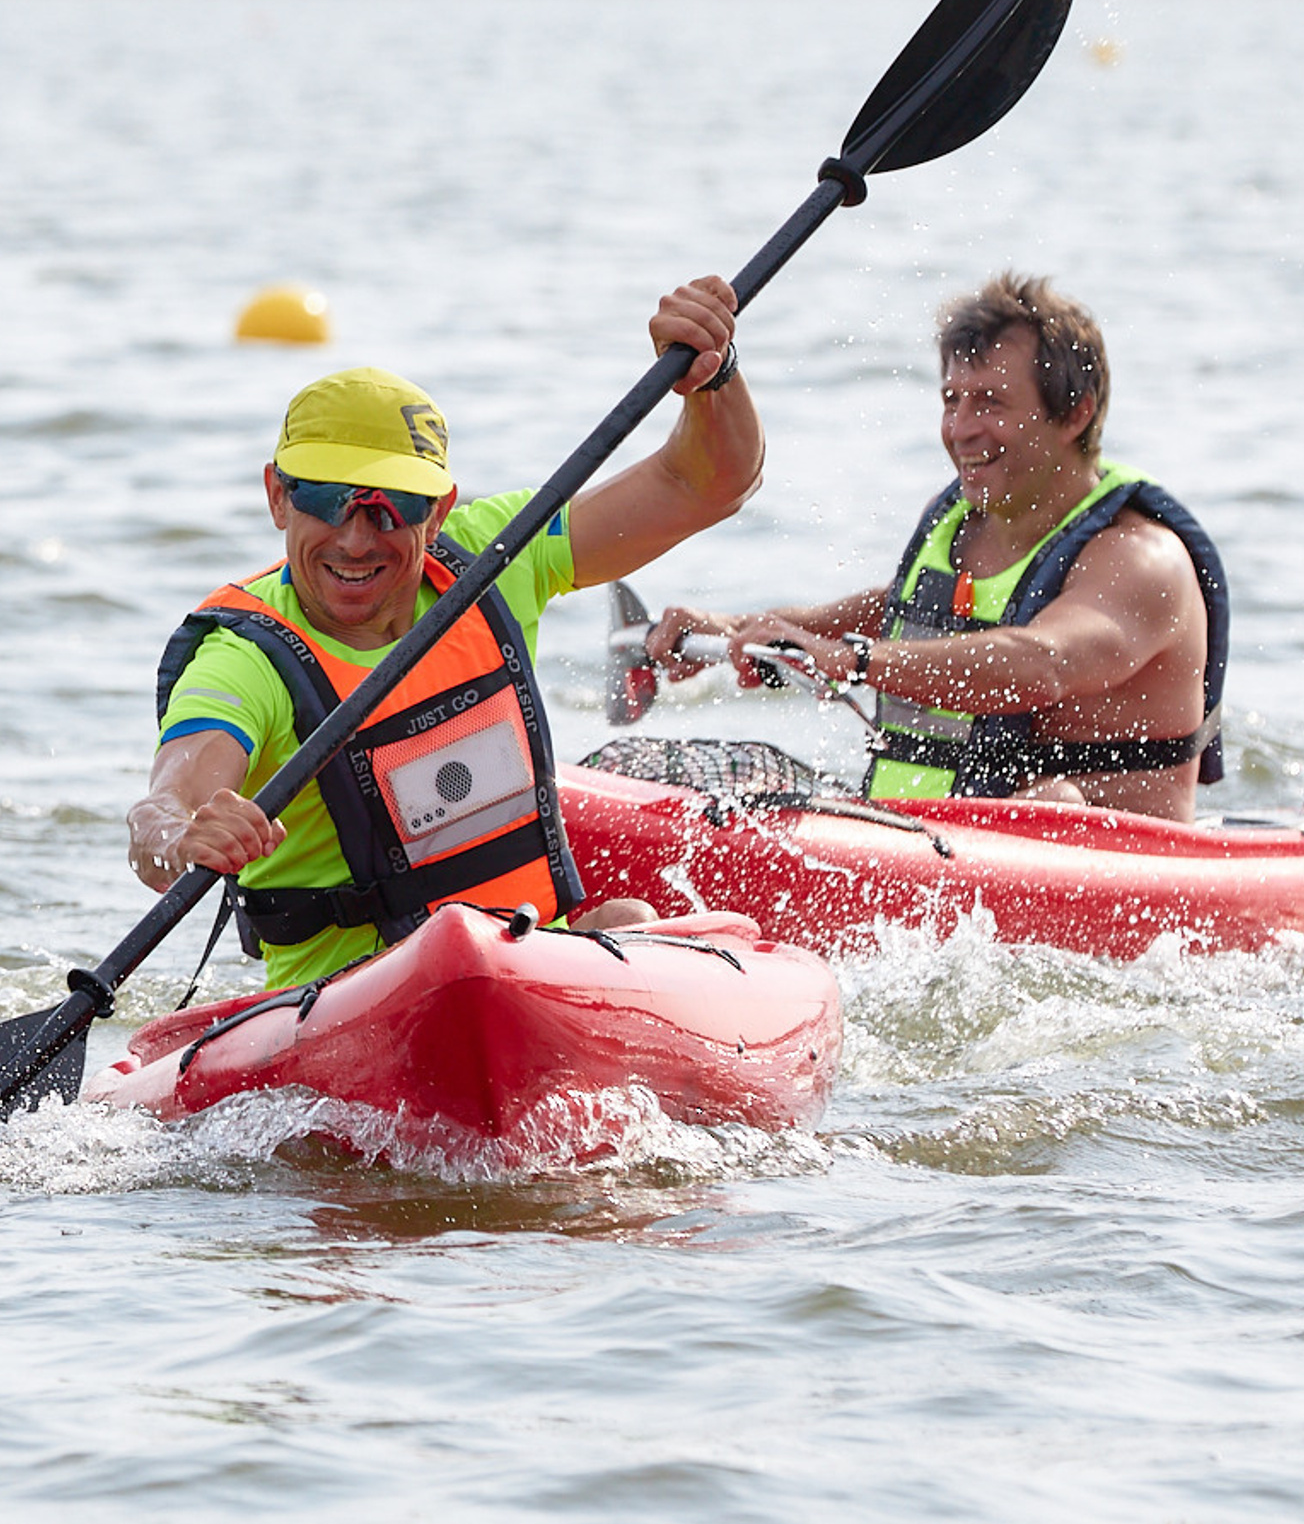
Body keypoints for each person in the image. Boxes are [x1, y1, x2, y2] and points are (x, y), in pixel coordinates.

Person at [127, 278, 761, 990]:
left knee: (627, 919)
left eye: (392, 507)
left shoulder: (494, 560)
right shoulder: (244, 660)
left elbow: (706, 485)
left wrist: (713, 378)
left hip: (526, 970)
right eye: (327, 500)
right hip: (348, 998)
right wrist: (182, 836)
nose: (356, 540)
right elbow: (163, 808)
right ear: (278, 496)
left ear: (438, 510)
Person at [650, 271, 1227, 820]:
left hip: (1116, 860)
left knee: (1057, 802)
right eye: (952, 401)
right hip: (930, 836)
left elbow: (1042, 664)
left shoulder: (1141, 559)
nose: (960, 430)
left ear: (1075, 414)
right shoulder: (965, 520)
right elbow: (906, 611)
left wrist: (851, 661)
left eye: (990, 403)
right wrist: (748, 630)